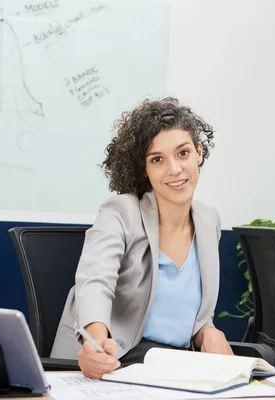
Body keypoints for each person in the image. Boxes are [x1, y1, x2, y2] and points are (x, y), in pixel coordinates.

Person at [50, 97, 233, 379]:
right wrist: (95, 344)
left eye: (182, 153)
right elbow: (95, 282)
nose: (174, 169)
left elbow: (189, 315)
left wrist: (206, 331)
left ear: (198, 152)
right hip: (121, 360)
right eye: (157, 159)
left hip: (174, 365)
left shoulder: (209, 221)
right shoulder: (120, 211)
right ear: (143, 169)